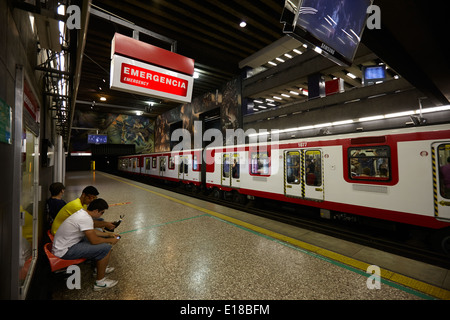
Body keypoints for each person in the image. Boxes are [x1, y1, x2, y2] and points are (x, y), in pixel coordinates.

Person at [52, 198, 120, 291]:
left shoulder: (82, 213)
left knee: (99, 241)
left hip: (64, 245)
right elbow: (94, 241)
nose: (102, 215)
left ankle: (99, 267)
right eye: (102, 212)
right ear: (96, 210)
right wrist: (110, 240)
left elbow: (92, 231)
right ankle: (100, 283)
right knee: (106, 248)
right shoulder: (85, 218)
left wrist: (108, 234)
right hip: (65, 251)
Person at [51, 186, 115, 235]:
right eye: (90, 197)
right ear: (83, 195)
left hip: (66, 228)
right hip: (58, 232)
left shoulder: (83, 204)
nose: (92, 200)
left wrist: (105, 224)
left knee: (100, 221)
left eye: (94, 198)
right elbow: (88, 222)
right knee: (97, 230)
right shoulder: (76, 206)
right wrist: (106, 224)